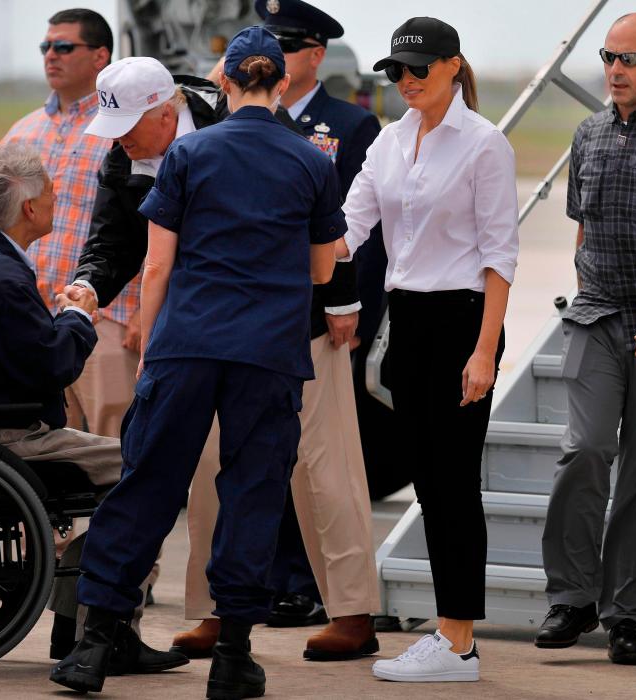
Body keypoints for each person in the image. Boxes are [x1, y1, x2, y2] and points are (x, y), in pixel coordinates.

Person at [51, 26, 343, 698]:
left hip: (187, 344)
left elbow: (156, 265)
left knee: (146, 485)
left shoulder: (189, 154)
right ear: (280, 83)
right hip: (268, 354)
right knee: (251, 495)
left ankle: (94, 646)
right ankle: (234, 655)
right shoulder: (312, 161)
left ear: (227, 82)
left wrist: (154, 348)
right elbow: (325, 266)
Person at [170, 0, 383, 660]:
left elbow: (348, 235)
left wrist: (348, 309)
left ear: (310, 56)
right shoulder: (209, 125)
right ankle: (211, 609)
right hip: (221, 329)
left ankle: (351, 608)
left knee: (326, 471)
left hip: (308, 324)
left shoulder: (346, 127)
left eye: (286, 46)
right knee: (210, 473)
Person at [0, 144, 186, 676]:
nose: (57, 197)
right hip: (4, 435)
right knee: (150, 471)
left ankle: (78, 612)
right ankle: (106, 626)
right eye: (48, 193)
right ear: (28, 211)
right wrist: (78, 315)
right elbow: (54, 365)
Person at [339, 17, 519, 682]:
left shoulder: (483, 145)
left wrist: (484, 352)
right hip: (406, 319)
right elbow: (348, 226)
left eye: (419, 68)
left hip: (463, 321)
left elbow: (500, 256)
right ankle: (450, 638)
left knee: (453, 483)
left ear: (452, 66)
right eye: (397, 70)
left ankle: (458, 641)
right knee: (425, 479)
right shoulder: (389, 142)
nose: (407, 80)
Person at [537, 12, 636, 665]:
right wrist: (587, 288)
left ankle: (626, 617)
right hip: (598, 318)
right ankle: (572, 598)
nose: (615, 70)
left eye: (630, 59)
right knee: (583, 452)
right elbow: (582, 231)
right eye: (609, 57)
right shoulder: (588, 134)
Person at [0, 9, 135, 439]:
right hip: (35, 320)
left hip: (108, 317)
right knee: (48, 454)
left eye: (63, 47)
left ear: (100, 57)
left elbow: (156, 223)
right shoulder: (22, 132)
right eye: (46, 47)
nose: (50, 56)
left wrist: (147, 310)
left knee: (113, 446)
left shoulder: (126, 131)